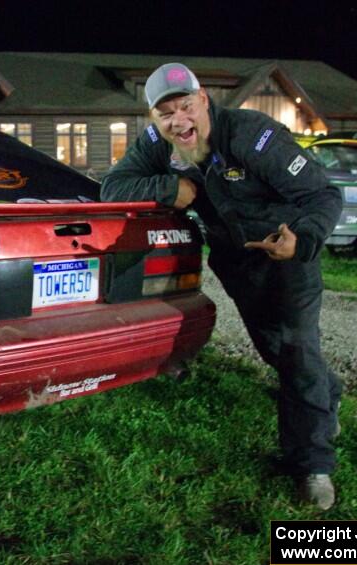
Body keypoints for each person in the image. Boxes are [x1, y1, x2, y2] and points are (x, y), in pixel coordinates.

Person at [101, 63, 343, 510]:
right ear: (155, 118)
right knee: (274, 349)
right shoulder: (158, 143)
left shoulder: (254, 137)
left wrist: (302, 239)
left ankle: (313, 466)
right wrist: (167, 188)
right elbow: (112, 187)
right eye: (166, 112)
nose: (179, 121)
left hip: (287, 256)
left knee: (296, 350)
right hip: (236, 265)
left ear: (204, 100)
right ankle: (326, 397)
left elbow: (324, 195)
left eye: (186, 106)